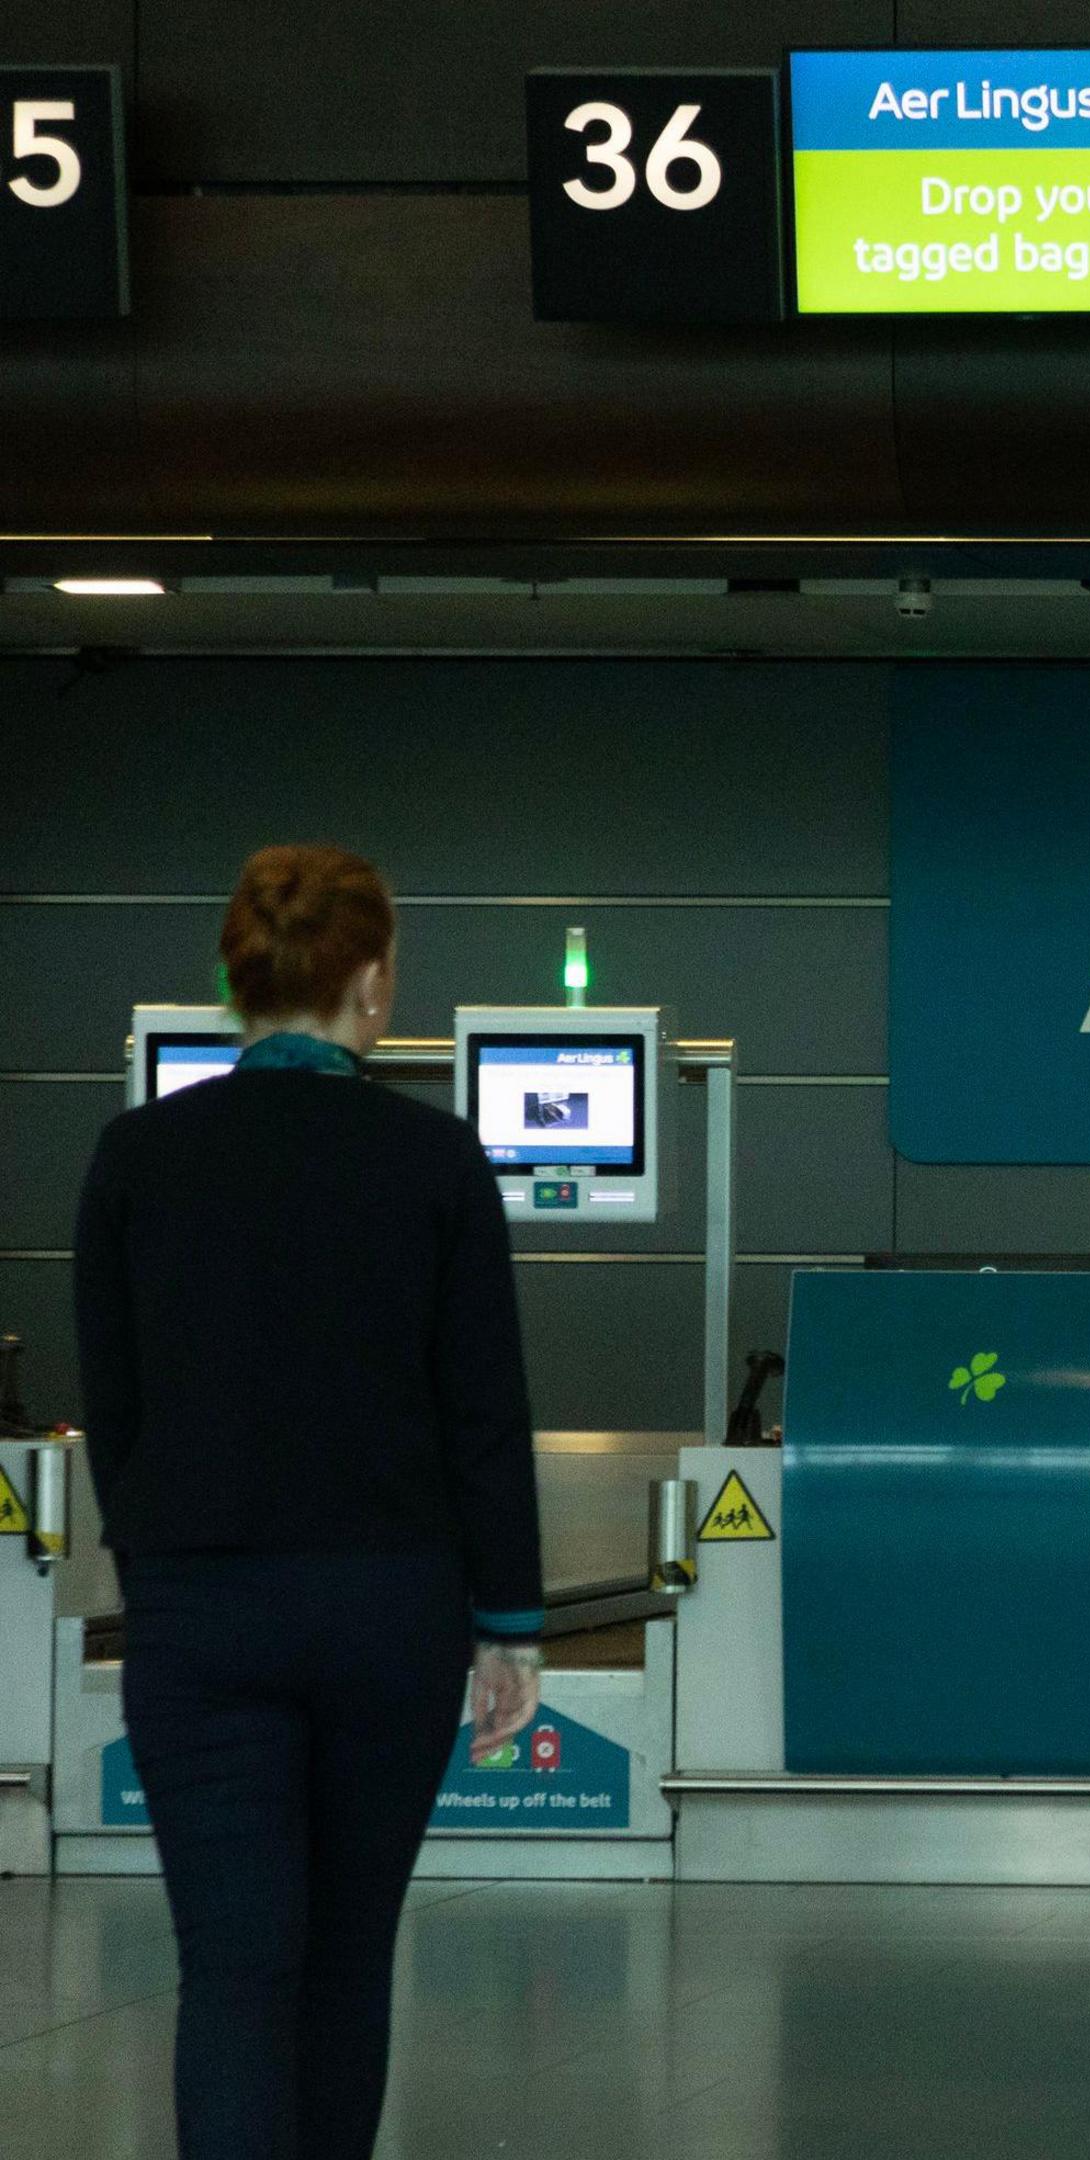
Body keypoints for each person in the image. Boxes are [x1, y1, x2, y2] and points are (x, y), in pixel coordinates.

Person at [72, 843, 547, 2160]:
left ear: (237, 983)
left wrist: (162, 1566)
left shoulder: (136, 1158)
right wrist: (509, 1623)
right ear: (374, 984)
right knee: (343, 1968)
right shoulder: (435, 1162)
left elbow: (114, 1404)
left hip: (203, 1616)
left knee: (232, 1976)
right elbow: (482, 1414)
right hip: (388, 1615)